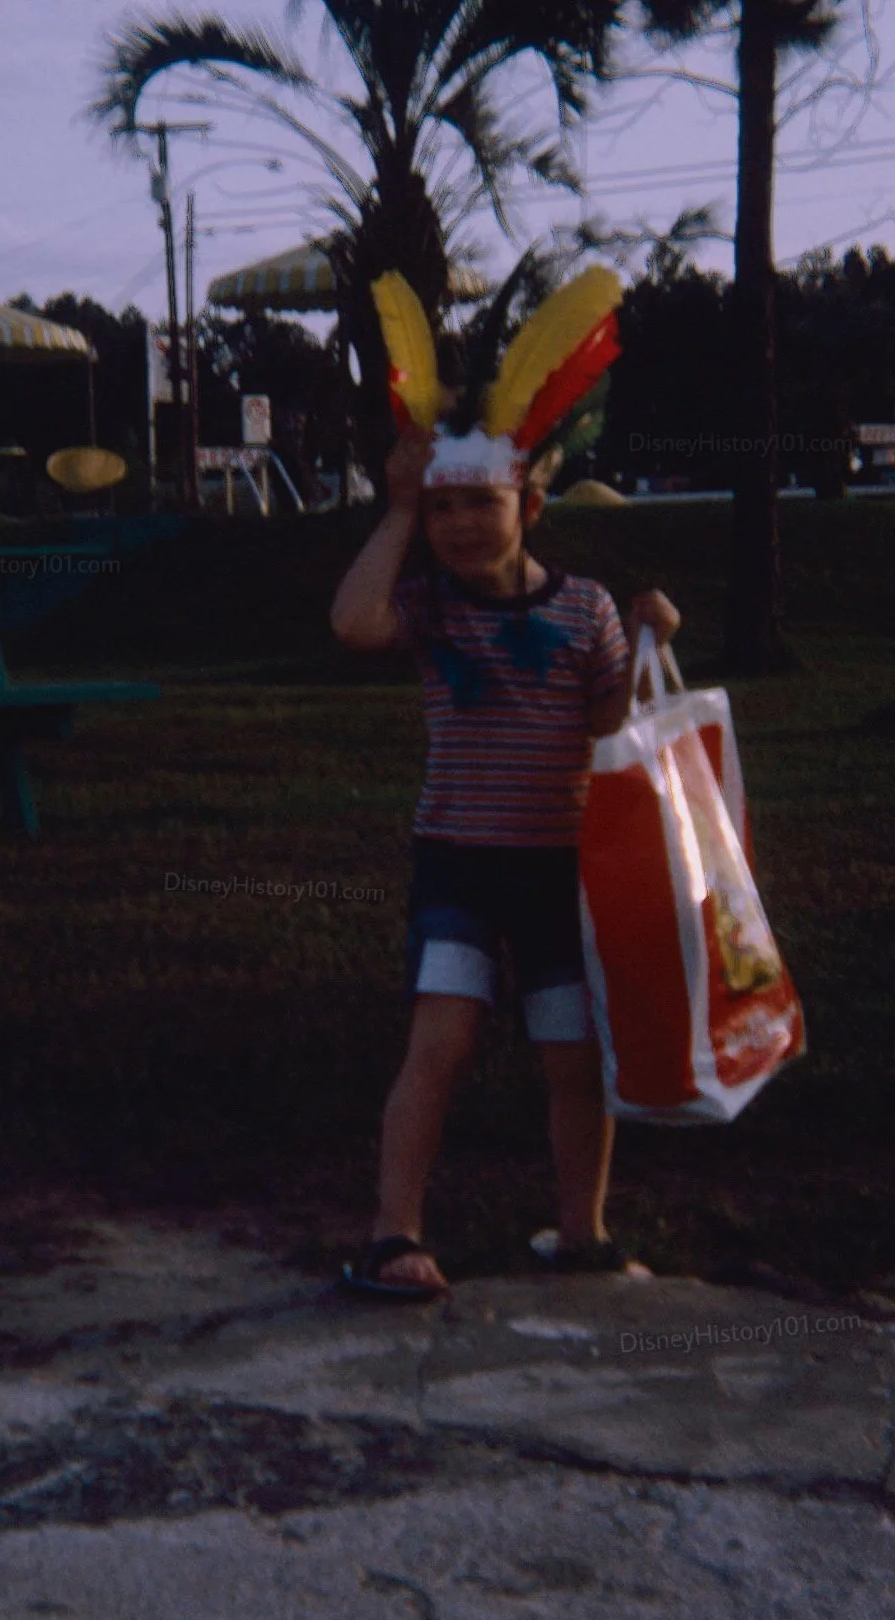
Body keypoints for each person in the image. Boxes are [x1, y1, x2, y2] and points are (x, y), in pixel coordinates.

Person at [330, 423, 680, 1298]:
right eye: (440, 508)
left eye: (479, 503)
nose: (458, 525)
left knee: (574, 1055)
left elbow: (609, 723)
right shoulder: (429, 605)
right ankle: (392, 1233)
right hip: (458, 871)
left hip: (562, 876)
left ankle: (580, 1232)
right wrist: (397, 509)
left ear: (527, 506)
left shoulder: (584, 606)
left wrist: (648, 639)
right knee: (439, 1044)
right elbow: (351, 621)